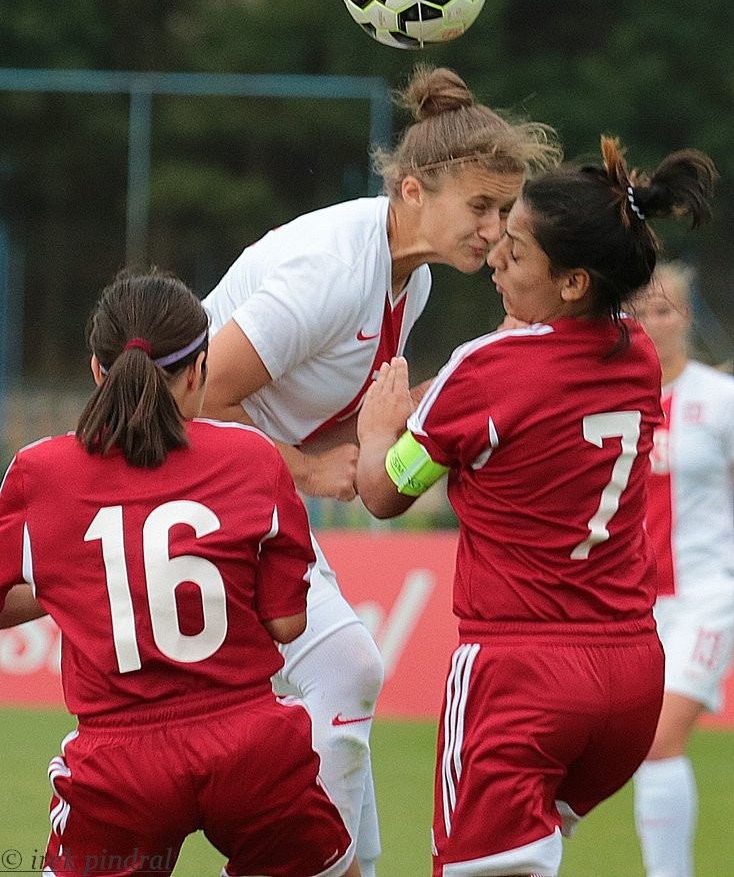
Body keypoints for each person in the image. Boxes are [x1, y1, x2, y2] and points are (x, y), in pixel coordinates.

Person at [200, 64, 563, 877]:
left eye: (504, 210)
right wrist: (307, 469)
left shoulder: (415, 282)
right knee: (343, 669)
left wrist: (475, 379)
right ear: (410, 192)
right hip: (194, 487)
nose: (496, 230)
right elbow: (186, 398)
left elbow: (359, 418)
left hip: (241, 490)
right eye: (481, 207)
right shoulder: (330, 270)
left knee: (344, 673)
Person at [356, 137, 718, 877]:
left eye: (515, 253)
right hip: (629, 678)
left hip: (521, 676)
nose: (493, 258)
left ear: (576, 281)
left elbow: (386, 492)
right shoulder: (638, 354)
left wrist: (375, 433)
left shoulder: (485, 370)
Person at [0, 269, 360, 877]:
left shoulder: (41, 473)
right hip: (249, 745)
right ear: (198, 372)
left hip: (119, 768)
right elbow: (286, 621)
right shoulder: (252, 458)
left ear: (96, 371)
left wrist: (79, 585)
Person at [629, 261, 734, 877]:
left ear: (685, 318)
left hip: (706, 594)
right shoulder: (614, 401)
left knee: (660, 740)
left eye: (663, 310)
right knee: (620, 748)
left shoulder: (719, 401)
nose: (651, 323)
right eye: (638, 312)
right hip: (635, 605)